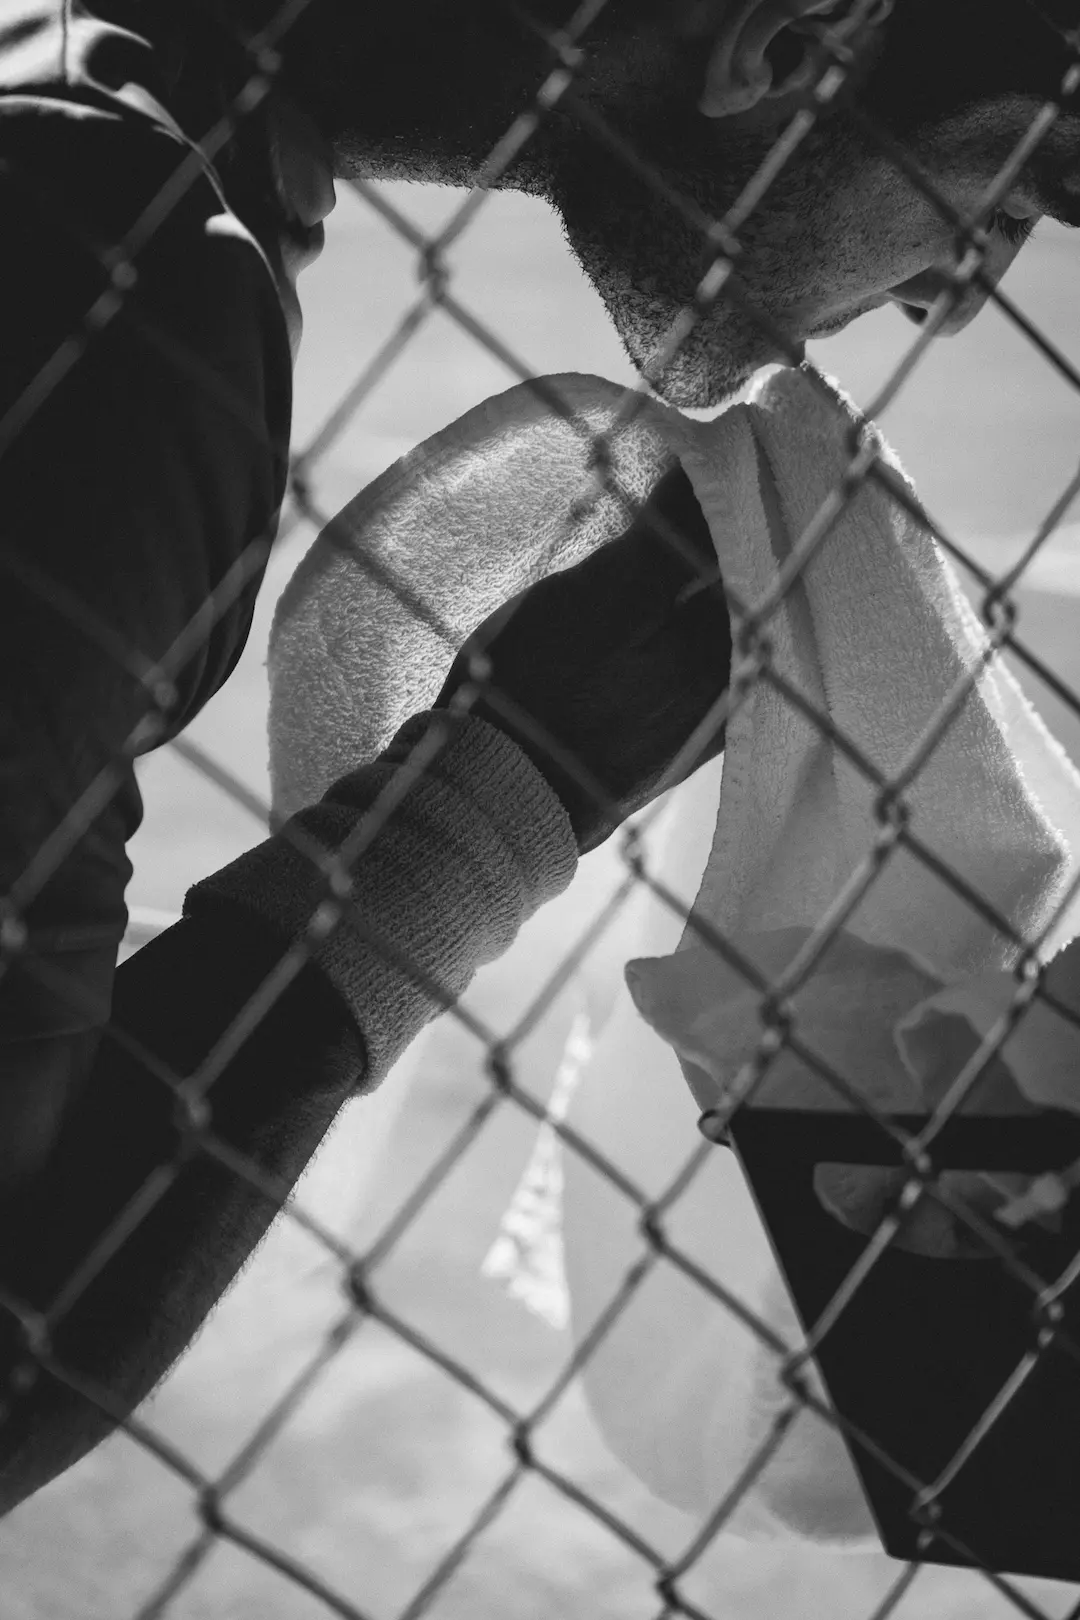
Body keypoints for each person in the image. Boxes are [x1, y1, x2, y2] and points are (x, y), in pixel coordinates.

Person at [0, 0, 1075, 1518]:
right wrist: (499, 796)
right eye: (1015, 190)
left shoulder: (98, 135)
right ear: (799, 39)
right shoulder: (110, 265)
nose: (963, 295)